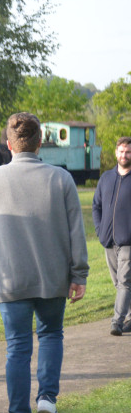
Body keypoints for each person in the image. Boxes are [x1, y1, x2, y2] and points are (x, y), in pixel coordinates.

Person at [0, 112, 89, 413]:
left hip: (8, 279)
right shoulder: (61, 179)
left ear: (8, 145)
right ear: (40, 143)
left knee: (17, 348)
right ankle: (47, 398)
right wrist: (79, 274)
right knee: (51, 335)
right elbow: (77, 233)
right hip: (53, 276)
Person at [91, 136, 131, 336]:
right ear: (116, 153)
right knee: (119, 283)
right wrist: (99, 230)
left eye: (128, 152)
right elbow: (96, 206)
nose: (124, 155)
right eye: (121, 151)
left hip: (128, 241)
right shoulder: (106, 178)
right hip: (108, 240)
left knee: (124, 282)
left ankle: (117, 322)